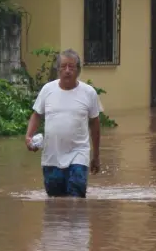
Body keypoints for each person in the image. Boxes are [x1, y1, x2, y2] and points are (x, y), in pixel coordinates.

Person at [25, 49, 101, 198]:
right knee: (54, 201)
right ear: (58, 69)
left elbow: (95, 124)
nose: (67, 71)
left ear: (78, 70)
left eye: (71, 67)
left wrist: (96, 156)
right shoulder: (48, 90)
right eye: (64, 66)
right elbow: (36, 115)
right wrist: (28, 137)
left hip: (79, 154)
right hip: (51, 157)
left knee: (76, 199)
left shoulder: (89, 93)